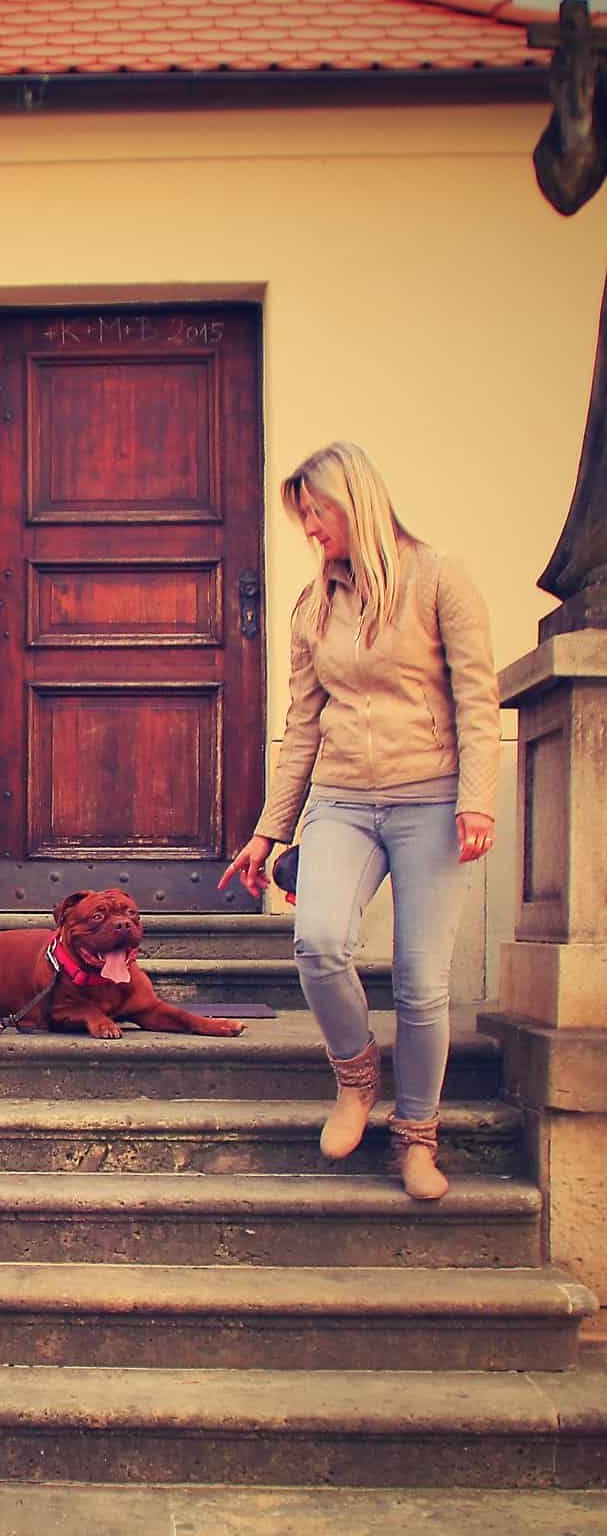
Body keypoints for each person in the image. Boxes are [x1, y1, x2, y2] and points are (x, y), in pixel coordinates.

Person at [219, 443, 500, 1202]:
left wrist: (476, 796)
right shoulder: (313, 607)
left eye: (318, 511)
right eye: (301, 514)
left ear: (356, 502)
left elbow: (477, 699)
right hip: (341, 800)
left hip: (430, 798)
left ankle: (415, 1137)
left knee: (419, 980)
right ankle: (355, 1076)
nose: (309, 526)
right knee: (316, 940)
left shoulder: (440, 578)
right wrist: (267, 833)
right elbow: (301, 726)